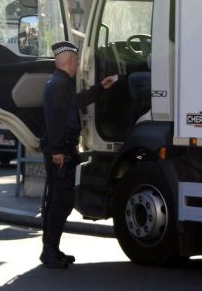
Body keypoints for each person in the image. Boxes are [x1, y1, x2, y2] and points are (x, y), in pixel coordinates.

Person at [39, 41, 117, 269]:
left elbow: (77, 102)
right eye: (75, 60)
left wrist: (100, 88)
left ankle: (52, 249)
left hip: (63, 149)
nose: (77, 64)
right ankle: (49, 251)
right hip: (60, 151)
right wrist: (57, 151)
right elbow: (54, 120)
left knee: (60, 202)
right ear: (70, 62)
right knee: (58, 202)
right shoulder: (59, 85)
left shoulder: (60, 83)